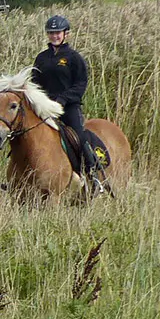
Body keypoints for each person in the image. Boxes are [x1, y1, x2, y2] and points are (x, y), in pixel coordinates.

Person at [32, 14, 106, 188]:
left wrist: (63, 99)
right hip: (45, 107)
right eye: (51, 33)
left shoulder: (74, 58)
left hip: (68, 107)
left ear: (66, 34)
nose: (54, 36)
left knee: (79, 136)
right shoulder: (41, 58)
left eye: (58, 33)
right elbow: (35, 82)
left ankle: (92, 174)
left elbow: (81, 84)